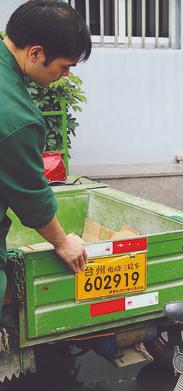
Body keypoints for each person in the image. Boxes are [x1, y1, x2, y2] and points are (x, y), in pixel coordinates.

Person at [0, 1, 92, 313]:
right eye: (65, 66)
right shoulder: (16, 117)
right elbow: (31, 195)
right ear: (36, 53)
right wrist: (63, 242)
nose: (64, 75)